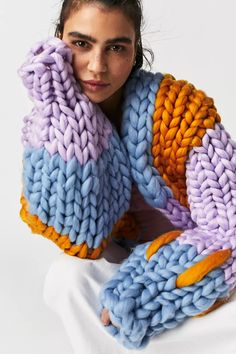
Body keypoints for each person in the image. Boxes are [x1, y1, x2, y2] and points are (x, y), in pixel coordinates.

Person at [18, 0, 236, 352]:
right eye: (81, 43)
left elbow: (230, 227)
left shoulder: (179, 110)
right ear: (59, 42)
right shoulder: (46, 123)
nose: (97, 66)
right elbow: (80, 241)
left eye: (116, 47)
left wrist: (149, 294)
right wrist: (62, 113)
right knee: (66, 278)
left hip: (201, 268)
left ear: (135, 50)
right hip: (123, 270)